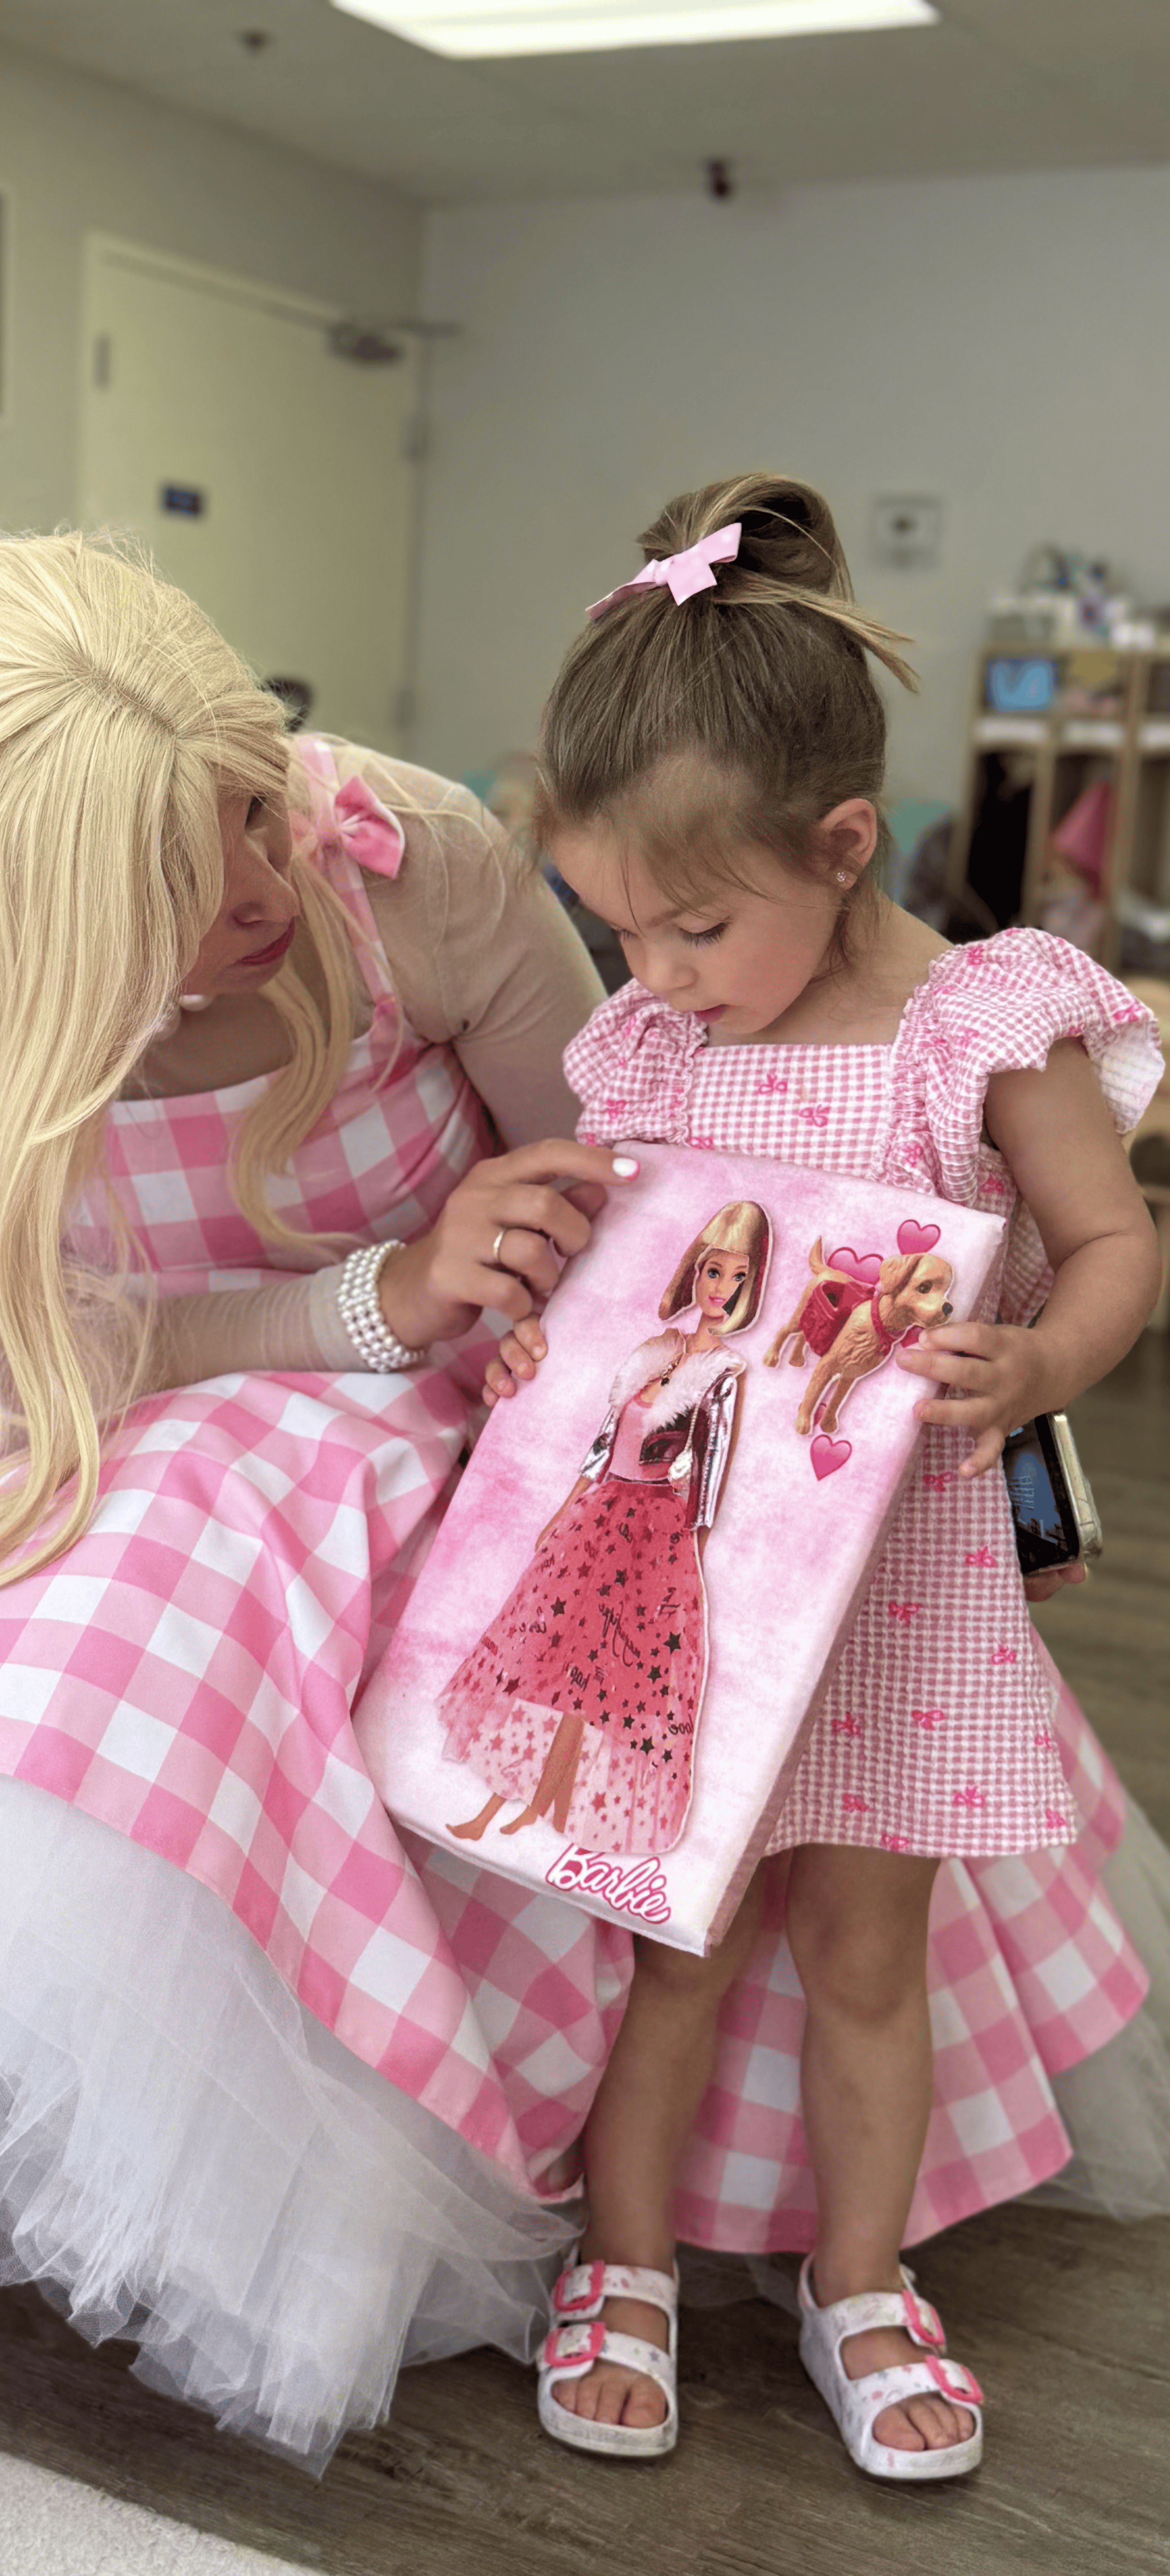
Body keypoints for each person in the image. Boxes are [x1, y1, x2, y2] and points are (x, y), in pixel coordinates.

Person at [0, 533, 634, 2471]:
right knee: (75, 1535)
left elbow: (617, 1160)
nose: (272, 890)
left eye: (259, 811)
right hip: (83, 1397)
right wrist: (366, 1292)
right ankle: (5, 2054)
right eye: (188, 887)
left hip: (451, 1408)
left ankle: (257, 2148)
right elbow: (23, 1364)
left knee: (192, 1530)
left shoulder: (407, 876)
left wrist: (467, 1292)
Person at [481, 476, 1170, 2477]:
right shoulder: (655, 1046)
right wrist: (542, 1345)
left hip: (906, 1585)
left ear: (845, 846)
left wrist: (1039, 1353)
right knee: (674, 1941)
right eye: (624, 927)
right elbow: (610, 1289)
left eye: (697, 926)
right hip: (696, 1575)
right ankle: (619, 2258)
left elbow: (1121, 1245)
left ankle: (860, 2274)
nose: (662, 970)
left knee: (872, 1955)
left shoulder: (980, 1024)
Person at [444, 1200, 770, 1852]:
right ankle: (504, 1804)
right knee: (554, 1655)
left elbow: (710, 1463)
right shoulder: (651, 1353)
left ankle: (543, 1802)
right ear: (694, 1273)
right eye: (714, 1273)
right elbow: (602, 1441)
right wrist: (566, 1508)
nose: (721, 1289)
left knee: (602, 1678)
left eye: (737, 1279)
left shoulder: (722, 1374)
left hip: (654, 1529)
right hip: (600, 1515)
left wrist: (691, 1544)